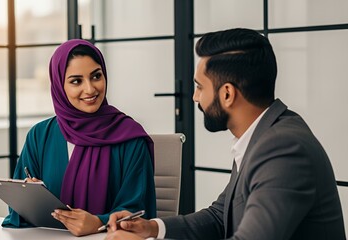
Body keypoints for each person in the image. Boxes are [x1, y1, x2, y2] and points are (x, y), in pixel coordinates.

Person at [105, 28, 346, 240]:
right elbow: (220, 216)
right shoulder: (262, 134)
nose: (195, 97)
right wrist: (152, 228)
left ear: (227, 94)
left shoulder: (283, 148)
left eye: (200, 87)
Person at [2, 39, 157, 236]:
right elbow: (17, 212)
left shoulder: (130, 138)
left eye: (96, 76)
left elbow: (137, 213)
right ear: (59, 85)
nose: (90, 89)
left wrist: (97, 223)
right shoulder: (40, 135)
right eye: (76, 81)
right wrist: (30, 198)